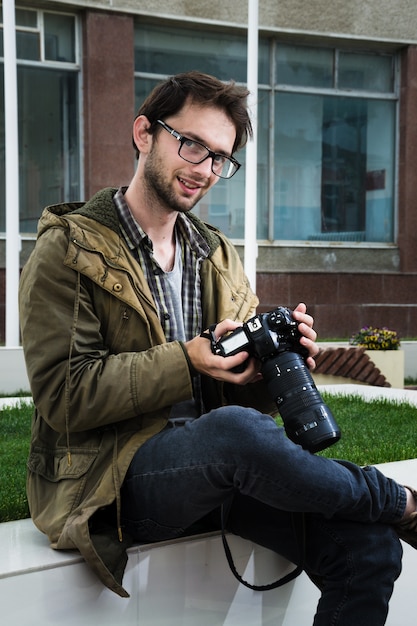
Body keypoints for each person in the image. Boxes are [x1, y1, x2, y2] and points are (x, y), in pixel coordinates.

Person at [19, 70, 416, 625]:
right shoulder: (69, 249)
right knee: (235, 437)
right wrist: (188, 361)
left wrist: (273, 369)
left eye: (219, 158)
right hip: (110, 479)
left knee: (370, 549)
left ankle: (386, 512)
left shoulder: (217, 254)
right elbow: (64, 396)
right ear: (144, 134)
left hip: (218, 466)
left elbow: (237, 403)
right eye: (191, 144)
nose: (204, 169)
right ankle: (398, 500)